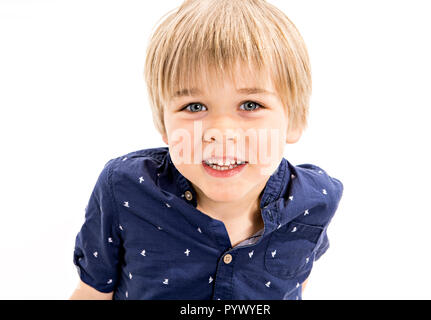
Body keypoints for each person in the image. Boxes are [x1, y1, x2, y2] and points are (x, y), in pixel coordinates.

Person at [69, 0, 343, 300]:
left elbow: (298, 279)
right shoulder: (124, 190)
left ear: (295, 120)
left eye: (250, 105)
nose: (220, 133)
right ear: (164, 124)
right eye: (194, 106)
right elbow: (92, 293)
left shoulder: (316, 199)